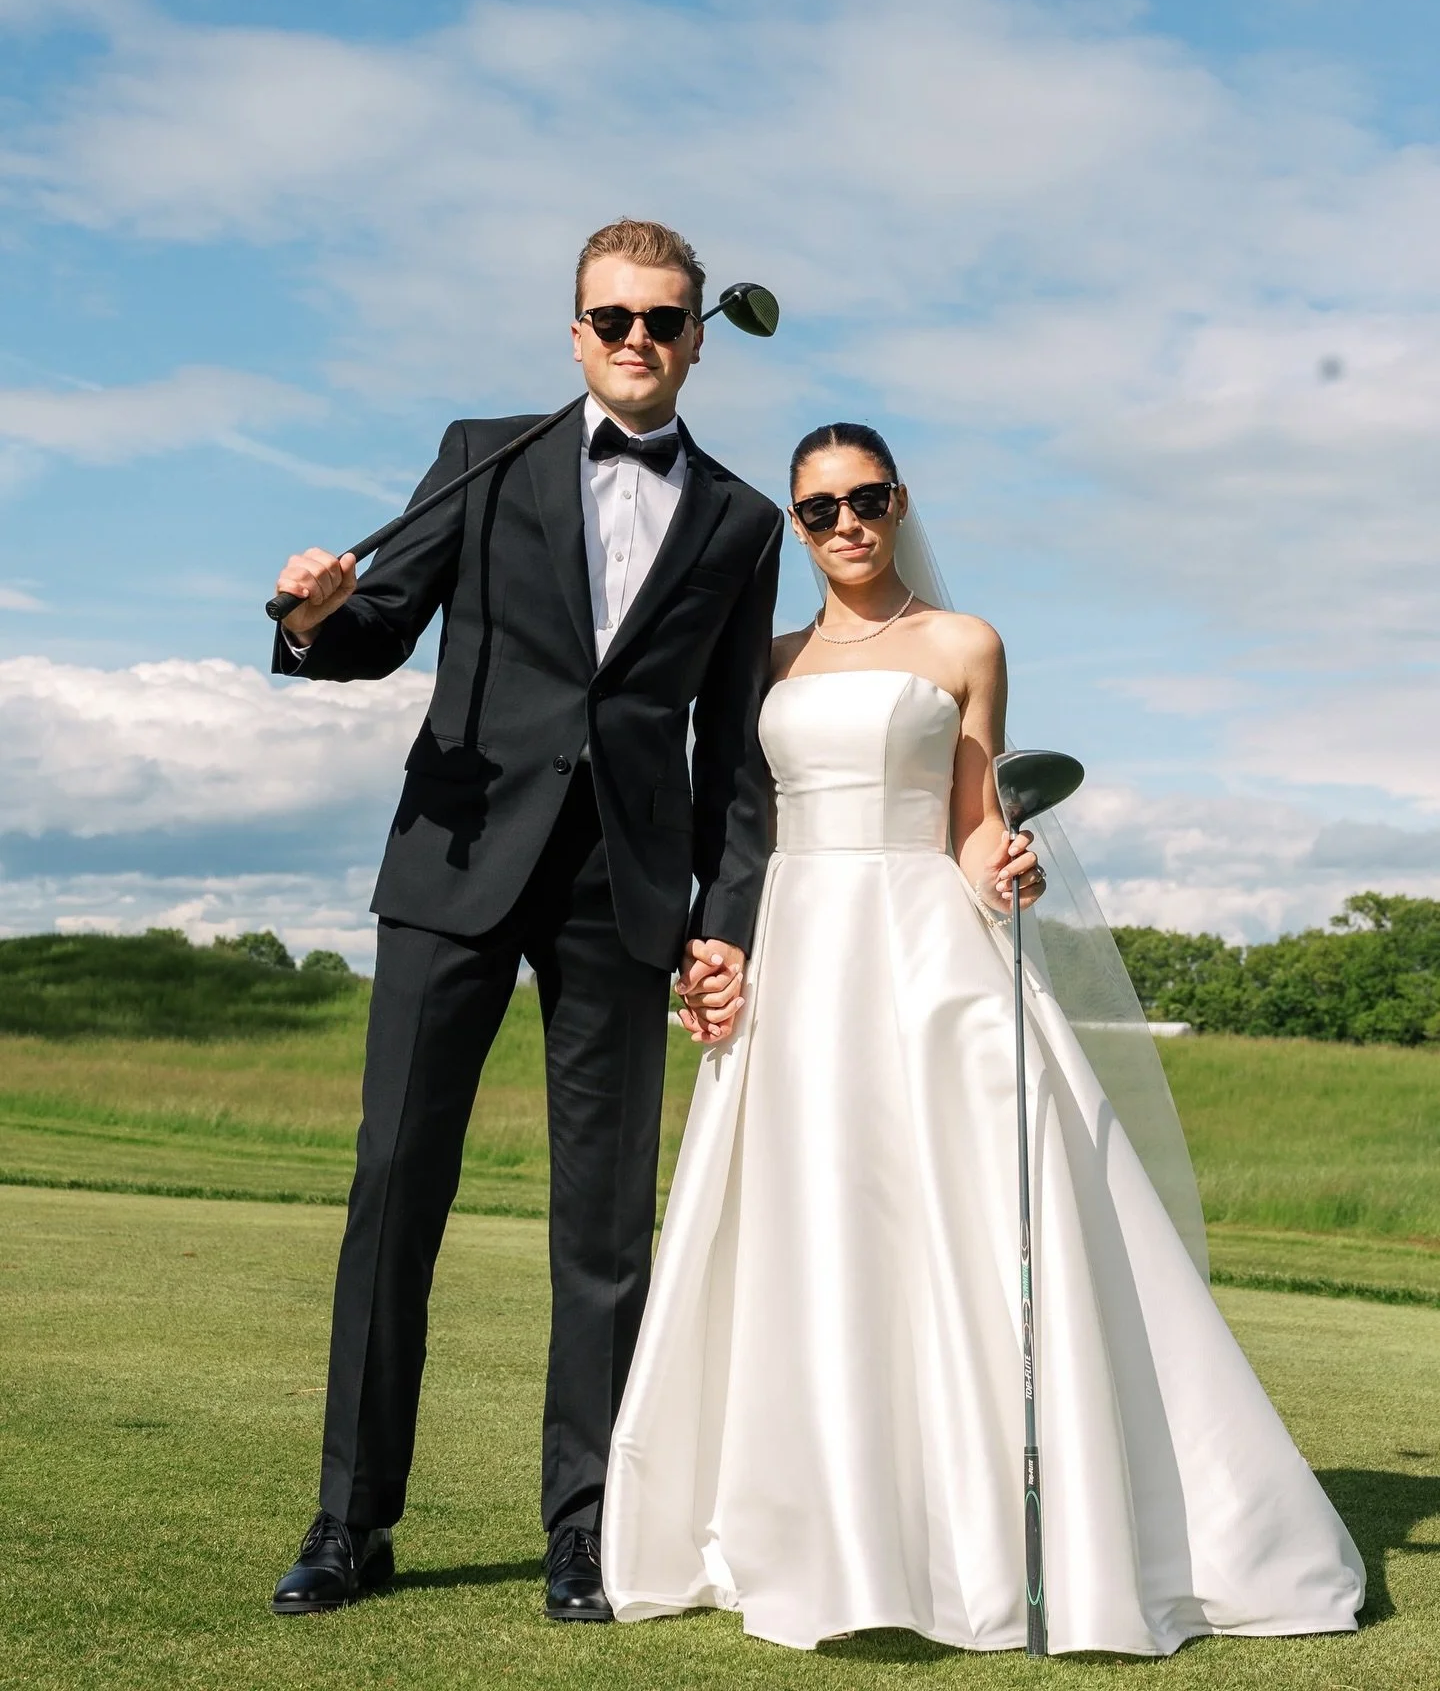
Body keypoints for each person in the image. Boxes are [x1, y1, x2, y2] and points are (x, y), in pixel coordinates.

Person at [601, 421, 1365, 1654]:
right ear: (795, 527)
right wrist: (717, 947)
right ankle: (819, 1531)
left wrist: (1002, 866)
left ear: (900, 503)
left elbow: (970, 816)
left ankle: (992, 1536)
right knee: (813, 1226)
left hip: (925, 949)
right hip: (802, 954)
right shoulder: (768, 659)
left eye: (866, 498)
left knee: (969, 1215)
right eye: (818, 509)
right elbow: (740, 826)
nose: (845, 523)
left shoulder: (966, 645)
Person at [267, 220, 783, 1621]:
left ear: (696, 339)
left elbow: (734, 751)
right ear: (574, 331)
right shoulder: (483, 452)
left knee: (605, 1225)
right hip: (452, 869)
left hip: (624, 893)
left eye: (663, 321)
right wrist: (317, 618)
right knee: (393, 1191)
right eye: (611, 318)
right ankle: (347, 1526)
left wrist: (725, 917)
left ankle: (589, 1534)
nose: (637, 340)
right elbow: (379, 625)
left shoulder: (742, 522)